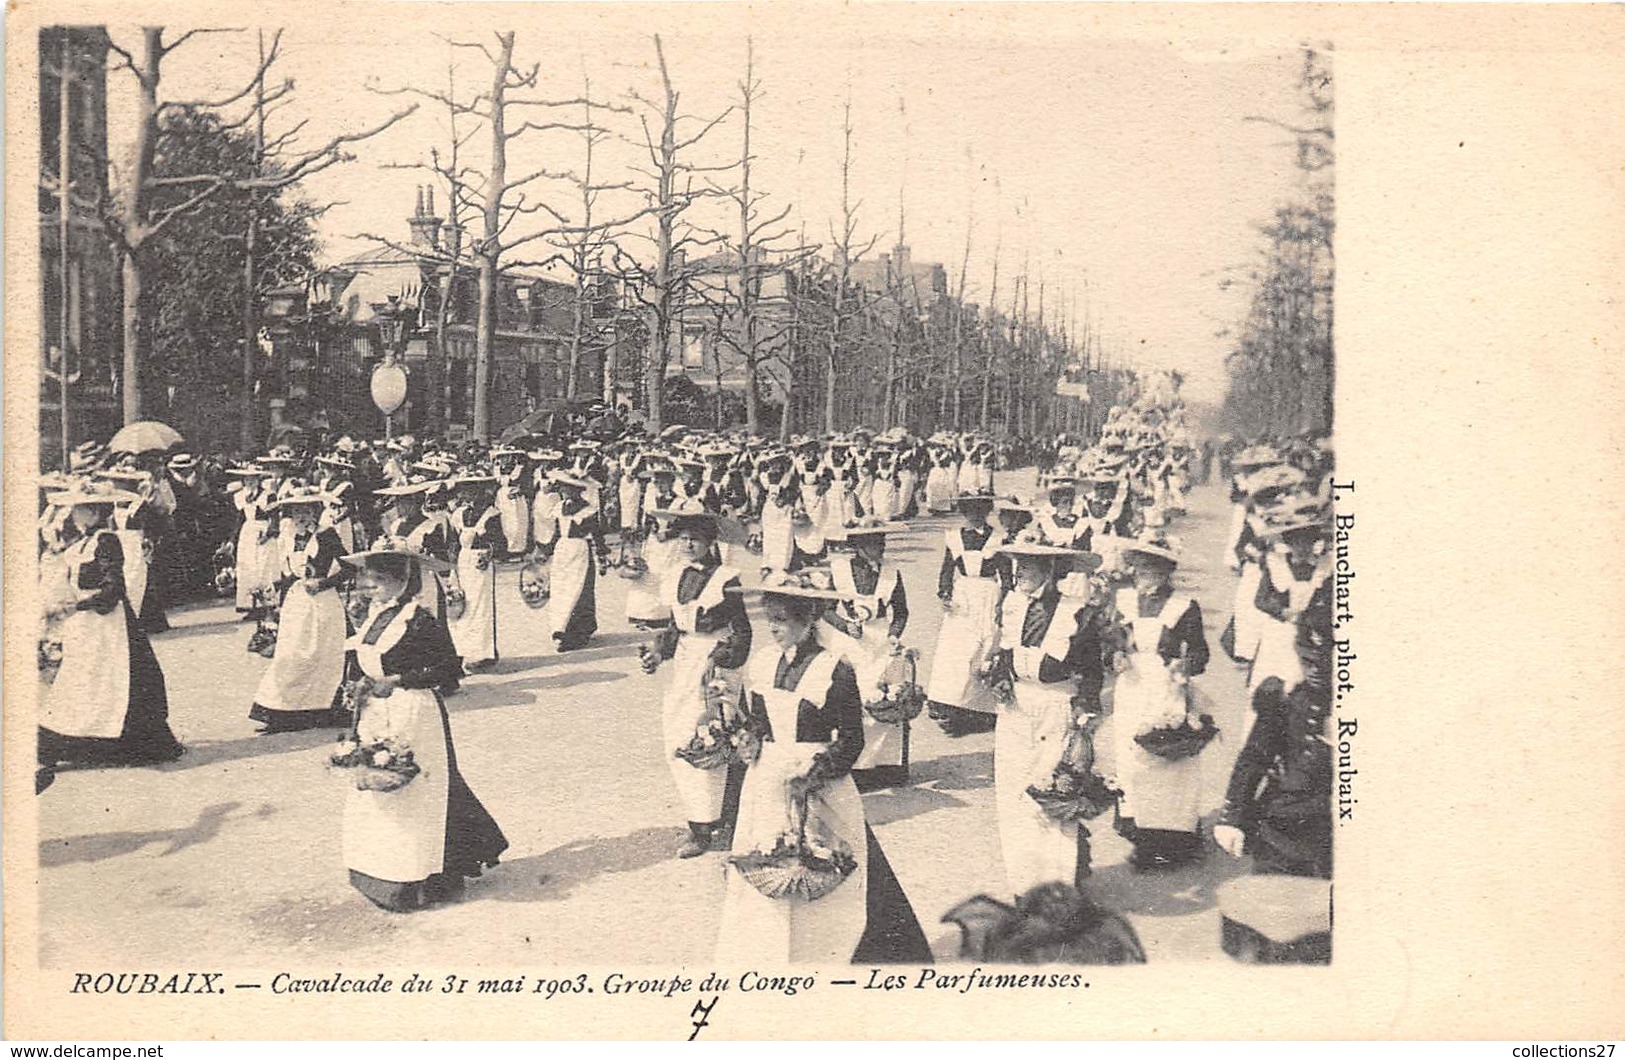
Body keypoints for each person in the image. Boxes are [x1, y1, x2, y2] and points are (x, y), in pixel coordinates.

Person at [714, 576, 933, 965]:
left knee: (832, 866)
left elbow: (852, 739)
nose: (774, 628)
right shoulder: (764, 663)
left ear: (808, 618)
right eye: (770, 619)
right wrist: (744, 735)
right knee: (769, 861)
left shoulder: (835, 670)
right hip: (766, 783)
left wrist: (813, 776)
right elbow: (757, 724)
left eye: (781, 619)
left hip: (819, 785)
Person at [337, 547, 508, 912]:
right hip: (376, 712)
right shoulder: (372, 615)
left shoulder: (419, 619)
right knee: (378, 788)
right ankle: (378, 872)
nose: (371, 588)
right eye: (369, 581)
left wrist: (398, 680)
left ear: (403, 581)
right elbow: (365, 661)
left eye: (380, 581)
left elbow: (447, 669)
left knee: (416, 791)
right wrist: (360, 686)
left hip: (412, 712)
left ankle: (420, 880)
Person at [988, 542, 1107, 897]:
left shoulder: (1078, 615)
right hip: (1015, 710)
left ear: (1050, 570)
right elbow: (1005, 656)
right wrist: (999, 679)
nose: (1019, 571)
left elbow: (1092, 671)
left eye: (1028, 566)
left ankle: (1059, 880)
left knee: (1052, 792)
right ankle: (1024, 881)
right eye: (1018, 565)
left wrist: (1085, 709)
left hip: (1056, 708)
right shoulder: (1010, 605)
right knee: (1013, 796)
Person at [38, 483, 185, 768]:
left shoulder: (106, 541)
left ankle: (125, 745)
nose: (74, 515)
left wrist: (79, 605)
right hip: (85, 627)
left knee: (113, 683)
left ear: (94, 512)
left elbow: (114, 588)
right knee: (81, 683)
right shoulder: (79, 544)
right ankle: (71, 742)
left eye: (80, 510)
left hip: (109, 625)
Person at [641, 512, 752, 858]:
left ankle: (720, 824)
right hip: (687, 664)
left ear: (709, 543)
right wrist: (659, 653)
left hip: (716, 668)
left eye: (696, 539)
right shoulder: (675, 576)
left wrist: (720, 660)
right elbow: (677, 628)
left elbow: (743, 632)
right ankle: (700, 819)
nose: (689, 545)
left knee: (717, 737)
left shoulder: (725, 579)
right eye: (684, 539)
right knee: (682, 739)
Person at [1108, 537, 1213, 870]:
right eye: (1141, 567)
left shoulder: (1183, 606)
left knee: (1167, 762)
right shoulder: (1122, 600)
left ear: (1167, 572)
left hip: (1167, 688)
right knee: (1132, 760)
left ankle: (1174, 839)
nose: (1145, 574)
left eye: (1153, 568)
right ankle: (1141, 836)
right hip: (1131, 688)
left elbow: (1200, 653)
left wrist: (1185, 665)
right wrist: (1114, 656)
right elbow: (1109, 641)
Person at [821, 521, 913, 791]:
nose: (879, 549)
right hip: (849, 641)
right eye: (873, 544)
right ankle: (855, 765)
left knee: (884, 696)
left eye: (881, 543)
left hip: (880, 640)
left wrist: (894, 635)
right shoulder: (838, 571)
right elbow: (825, 608)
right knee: (853, 699)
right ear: (858, 547)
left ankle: (885, 765)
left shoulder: (891, 573)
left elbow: (902, 610)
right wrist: (844, 625)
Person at [249, 489, 350, 734]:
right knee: (290, 655)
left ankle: (317, 709)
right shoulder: (290, 538)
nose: (300, 517)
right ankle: (280, 711)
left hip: (322, 605)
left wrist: (323, 583)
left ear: (316, 512)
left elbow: (351, 568)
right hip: (297, 605)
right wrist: (271, 586)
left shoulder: (326, 536)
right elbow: (291, 575)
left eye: (306, 511)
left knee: (318, 657)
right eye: (296, 512)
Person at [925, 493, 1006, 737]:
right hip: (962, 598)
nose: (974, 516)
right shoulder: (954, 537)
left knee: (983, 648)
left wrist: (1003, 602)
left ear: (987, 512)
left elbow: (1006, 574)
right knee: (957, 651)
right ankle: (950, 704)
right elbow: (947, 569)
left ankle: (979, 710)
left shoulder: (999, 539)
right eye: (970, 511)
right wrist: (945, 593)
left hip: (988, 594)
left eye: (980, 511)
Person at [447, 474, 504, 672]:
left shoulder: (491, 514)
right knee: (464, 606)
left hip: (481, 564)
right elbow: (453, 542)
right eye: (463, 490)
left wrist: (489, 553)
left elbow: (500, 543)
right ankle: (466, 650)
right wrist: (453, 564)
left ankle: (484, 653)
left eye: (470, 490)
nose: (465, 494)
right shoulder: (458, 514)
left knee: (481, 607)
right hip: (464, 562)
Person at [544, 474, 601, 652]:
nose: (565, 492)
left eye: (569, 489)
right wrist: (545, 551)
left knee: (579, 591)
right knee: (561, 590)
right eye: (563, 488)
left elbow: (597, 534)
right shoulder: (559, 507)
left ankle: (579, 633)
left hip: (580, 551)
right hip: (562, 551)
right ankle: (561, 628)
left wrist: (602, 554)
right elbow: (555, 533)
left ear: (578, 490)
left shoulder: (589, 510)